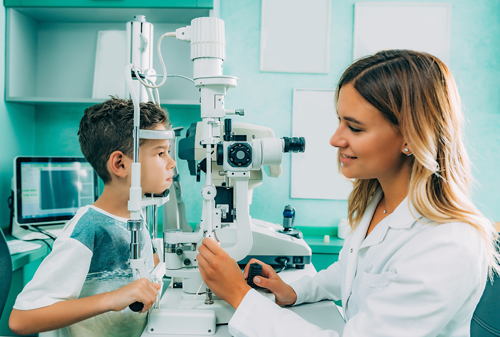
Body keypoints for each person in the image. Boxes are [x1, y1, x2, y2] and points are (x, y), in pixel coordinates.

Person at [196, 50, 500, 336]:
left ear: (410, 138)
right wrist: (296, 291)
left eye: (354, 128)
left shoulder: (446, 244)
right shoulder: (379, 200)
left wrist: (239, 295)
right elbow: (352, 271)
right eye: (339, 121)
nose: (335, 139)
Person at [9, 97, 176, 337]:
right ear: (119, 164)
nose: (171, 163)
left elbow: (140, 271)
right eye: (160, 153)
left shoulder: (135, 214)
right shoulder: (89, 228)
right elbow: (21, 320)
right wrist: (112, 298)